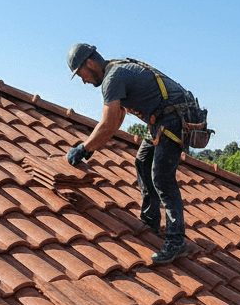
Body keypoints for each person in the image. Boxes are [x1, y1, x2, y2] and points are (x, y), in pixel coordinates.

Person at [65, 42, 198, 264]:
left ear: (90, 63)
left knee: (162, 177)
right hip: (161, 120)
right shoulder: (116, 70)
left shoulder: (112, 78)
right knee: (143, 161)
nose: (85, 81)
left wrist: (83, 148)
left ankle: (176, 240)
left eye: (82, 75)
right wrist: (90, 149)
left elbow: (107, 124)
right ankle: (150, 221)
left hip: (174, 119)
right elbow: (117, 119)